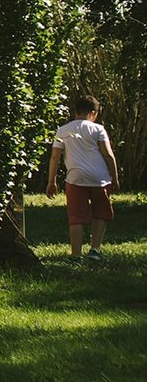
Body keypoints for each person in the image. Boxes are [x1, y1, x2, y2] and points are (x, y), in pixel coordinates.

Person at [46, 94, 122, 261]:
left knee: (76, 216)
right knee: (100, 212)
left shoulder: (63, 130)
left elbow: (54, 157)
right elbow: (108, 155)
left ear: (75, 111)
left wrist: (51, 181)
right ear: (93, 113)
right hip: (99, 178)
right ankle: (95, 249)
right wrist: (115, 178)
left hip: (75, 178)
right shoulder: (98, 129)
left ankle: (76, 254)